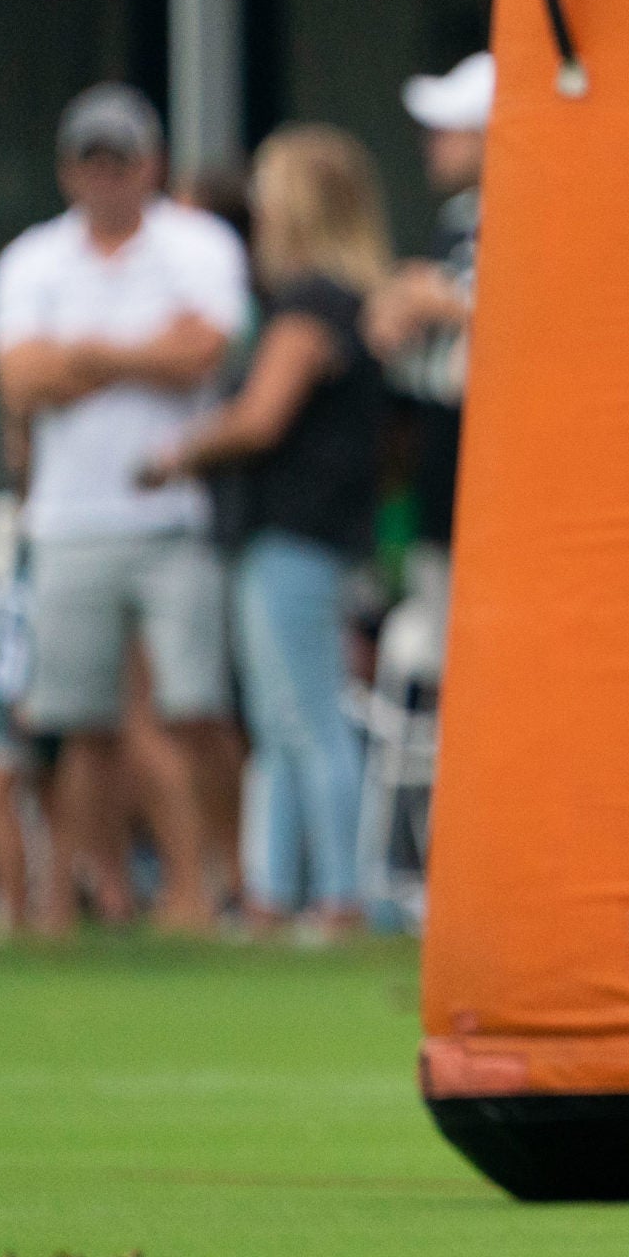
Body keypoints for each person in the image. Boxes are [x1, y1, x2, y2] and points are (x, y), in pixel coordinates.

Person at [0, 85, 248, 934]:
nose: (107, 178)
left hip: (172, 516)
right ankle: (64, 904)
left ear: (153, 165)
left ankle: (222, 892)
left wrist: (83, 353)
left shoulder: (196, 244)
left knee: (192, 710)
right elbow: (19, 379)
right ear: (70, 170)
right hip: (69, 521)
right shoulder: (33, 258)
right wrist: (144, 352)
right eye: (92, 162)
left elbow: (202, 353)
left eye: (122, 161)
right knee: (76, 725)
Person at [143, 125, 388, 939]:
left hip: (297, 533)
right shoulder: (344, 300)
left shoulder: (313, 303)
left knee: (308, 717)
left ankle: (340, 897)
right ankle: (275, 896)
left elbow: (259, 417)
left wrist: (180, 451)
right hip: (294, 535)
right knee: (285, 721)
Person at [370, 51, 488, 588]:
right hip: (442, 463)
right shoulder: (458, 221)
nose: (431, 143)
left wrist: (433, 295)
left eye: (450, 130)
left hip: (500, 466)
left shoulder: (537, 215)